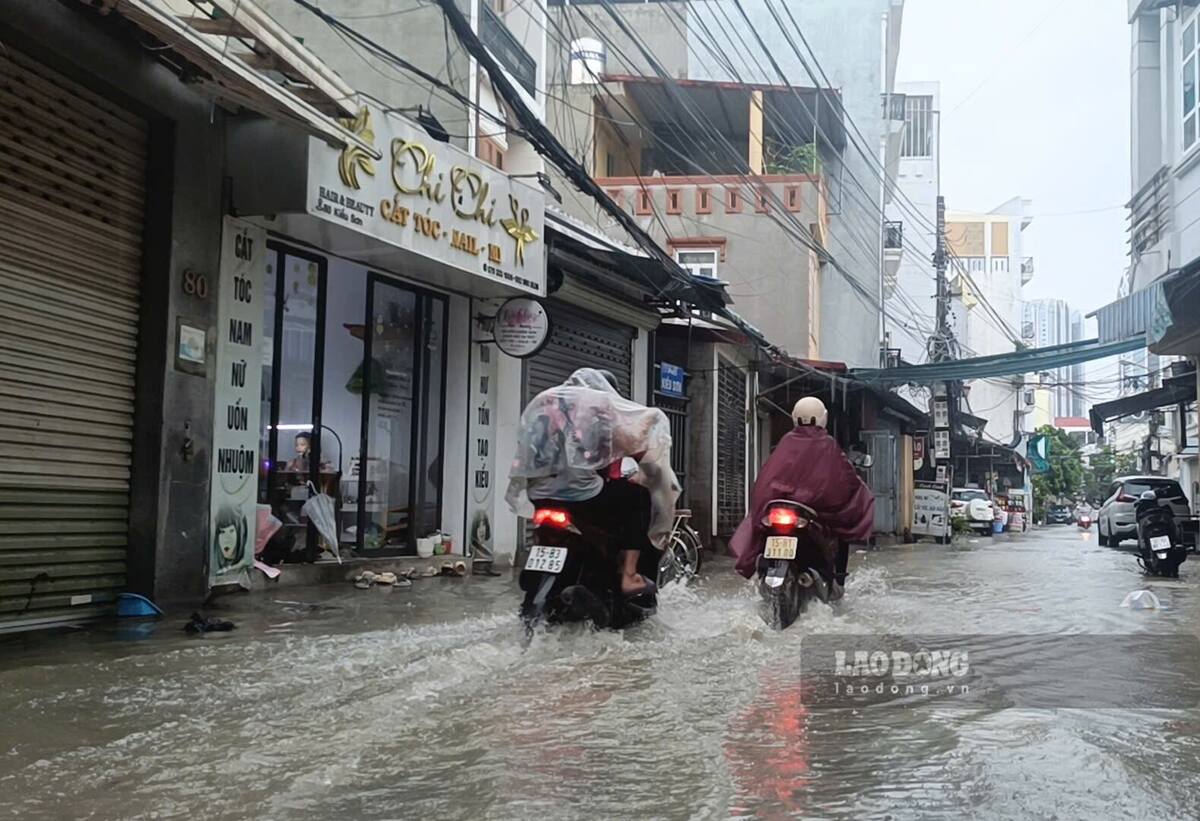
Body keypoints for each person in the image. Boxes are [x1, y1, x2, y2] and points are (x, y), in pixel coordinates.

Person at [507, 367, 680, 596]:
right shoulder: (597, 413)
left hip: (539, 496)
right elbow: (631, 442)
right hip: (580, 497)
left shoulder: (547, 407)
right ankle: (629, 576)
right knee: (638, 497)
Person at [730, 396, 875, 589]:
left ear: (794, 417)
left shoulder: (786, 443)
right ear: (823, 418)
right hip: (811, 514)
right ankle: (837, 580)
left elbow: (765, 481)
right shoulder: (827, 444)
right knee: (841, 529)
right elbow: (844, 482)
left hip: (781, 507)